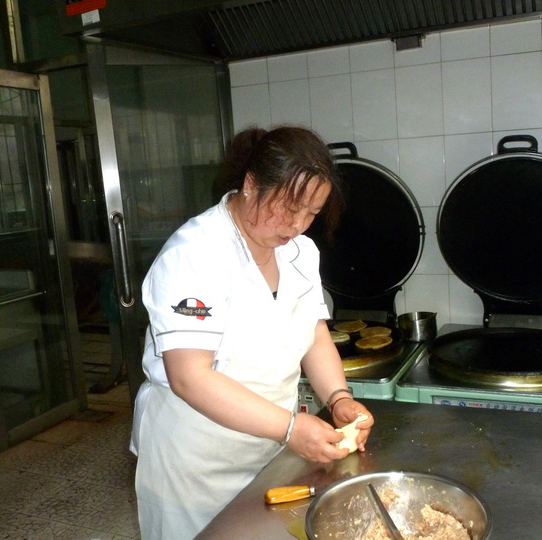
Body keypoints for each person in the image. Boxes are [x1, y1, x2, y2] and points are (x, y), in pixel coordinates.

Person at [130, 125, 374, 539]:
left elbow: (314, 335)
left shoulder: (300, 253)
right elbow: (190, 376)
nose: (297, 225)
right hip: (196, 463)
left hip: (271, 450)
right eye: (289, 208)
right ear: (250, 184)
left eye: (311, 213)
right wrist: (291, 428)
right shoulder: (195, 253)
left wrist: (339, 399)